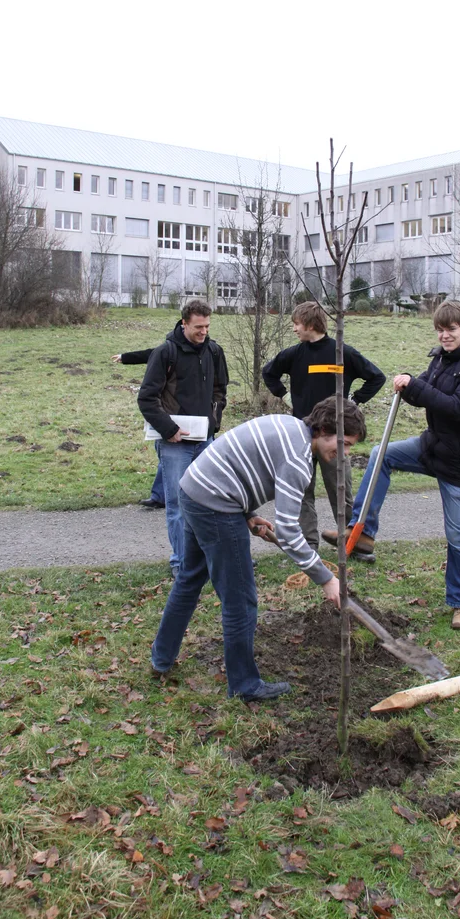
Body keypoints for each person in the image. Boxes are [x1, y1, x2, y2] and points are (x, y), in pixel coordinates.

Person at [150, 397, 367, 700]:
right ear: (324, 428)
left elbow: (239, 465)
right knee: (240, 599)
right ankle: (244, 685)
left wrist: (248, 514)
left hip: (195, 488)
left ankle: (161, 658)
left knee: (190, 578)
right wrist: (326, 578)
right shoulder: (298, 459)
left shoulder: (289, 426)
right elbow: (291, 533)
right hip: (215, 503)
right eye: (342, 443)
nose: (343, 453)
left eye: (350, 446)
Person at [323, 301, 460, 631]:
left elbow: (458, 407)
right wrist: (409, 383)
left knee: (456, 533)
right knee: (381, 454)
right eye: (441, 330)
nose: (445, 336)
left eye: (451, 330)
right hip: (433, 446)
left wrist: (416, 385)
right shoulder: (441, 359)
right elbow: (426, 393)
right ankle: (362, 533)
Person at [262, 300, 385, 552]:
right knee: (303, 492)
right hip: (302, 436)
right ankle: (309, 544)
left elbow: (377, 377)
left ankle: (353, 542)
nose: (294, 329)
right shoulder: (294, 354)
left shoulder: (342, 352)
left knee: (341, 490)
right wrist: (284, 396)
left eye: (297, 324)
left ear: (310, 324)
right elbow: (268, 373)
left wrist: (354, 401)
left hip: (334, 437)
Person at [137, 300, 229, 575]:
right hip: (174, 445)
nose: (204, 332)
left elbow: (220, 390)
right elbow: (146, 398)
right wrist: (169, 430)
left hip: (205, 442)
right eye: (198, 327)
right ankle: (182, 563)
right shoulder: (165, 353)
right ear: (184, 323)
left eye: (207, 326)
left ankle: (210, 559)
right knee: (178, 506)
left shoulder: (214, 351)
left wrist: (214, 420)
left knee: (210, 502)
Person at [111, 347, 164, 508]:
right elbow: (151, 354)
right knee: (166, 456)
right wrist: (125, 357)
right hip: (169, 416)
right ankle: (159, 496)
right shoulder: (169, 349)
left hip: (200, 419)